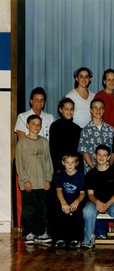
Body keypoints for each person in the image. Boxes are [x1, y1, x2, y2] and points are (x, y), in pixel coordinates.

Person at [81, 144, 114, 250]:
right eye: (99, 155)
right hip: (95, 202)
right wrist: (97, 202)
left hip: (111, 203)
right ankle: (88, 240)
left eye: (104, 155)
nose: (101, 157)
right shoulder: (90, 174)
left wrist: (107, 204)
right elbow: (90, 194)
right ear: (95, 156)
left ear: (109, 157)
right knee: (87, 211)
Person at [15, 114, 54, 245]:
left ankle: (40, 232)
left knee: (42, 209)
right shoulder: (22, 142)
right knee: (29, 209)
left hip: (42, 183)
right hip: (29, 183)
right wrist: (25, 180)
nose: (36, 126)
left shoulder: (44, 142)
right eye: (33, 124)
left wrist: (48, 179)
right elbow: (19, 164)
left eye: (38, 124)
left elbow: (48, 162)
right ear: (27, 125)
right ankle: (28, 232)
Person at [52, 152, 85, 249]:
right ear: (63, 163)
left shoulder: (81, 176)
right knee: (59, 213)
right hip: (64, 200)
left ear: (77, 163)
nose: (70, 165)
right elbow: (58, 191)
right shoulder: (59, 175)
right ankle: (61, 238)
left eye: (72, 162)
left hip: (77, 200)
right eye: (67, 162)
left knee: (78, 214)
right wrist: (63, 203)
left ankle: (76, 239)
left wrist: (76, 202)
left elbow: (82, 193)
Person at [78, 98, 114, 174]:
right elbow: (84, 152)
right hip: (91, 171)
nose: (98, 111)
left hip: (107, 170)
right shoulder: (85, 130)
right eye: (95, 108)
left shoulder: (111, 129)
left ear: (104, 110)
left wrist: (109, 167)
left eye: (101, 108)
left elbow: (113, 151)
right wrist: (93, 167)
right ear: (91, 110)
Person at [49, 97, 82, 173]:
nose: (69, 112)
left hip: (74, 167)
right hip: (59, 167)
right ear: (61, 110)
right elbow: (53, 149)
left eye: (71, 109)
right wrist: (58, 168)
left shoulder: (77, 128)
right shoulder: (55, 126)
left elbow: (78, 151)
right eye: (66, 109)